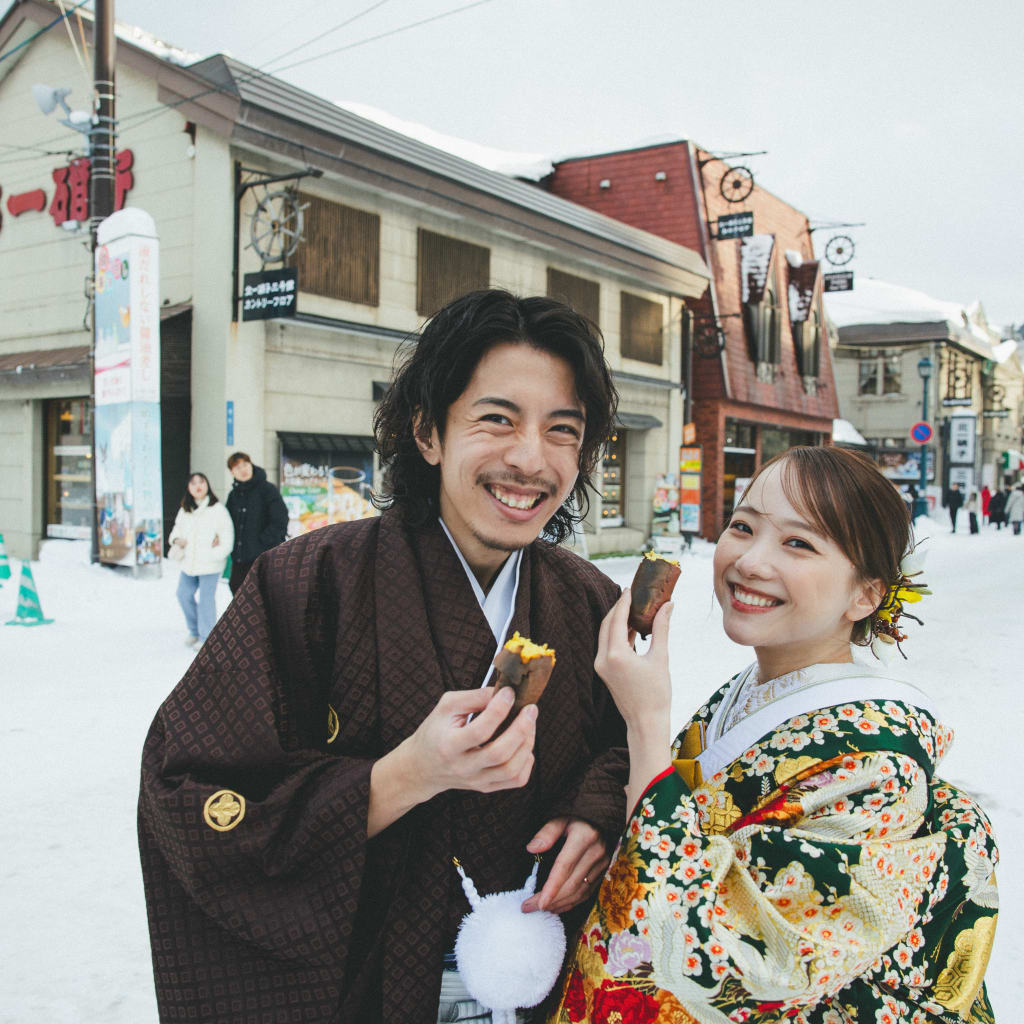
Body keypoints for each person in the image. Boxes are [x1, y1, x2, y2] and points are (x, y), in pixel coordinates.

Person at [138, 290, 630, 1024]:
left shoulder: (591, 601)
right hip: (365, 990)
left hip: (539, 987)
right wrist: (402, 777)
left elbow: (625, 749)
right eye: (497, 419)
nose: (531, 458)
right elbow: (185, 793)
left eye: (563, 430)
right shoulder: (306, 584)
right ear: (427, 432)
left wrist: (598, 813)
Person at [548, 446, 998, 1023]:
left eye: (799, 543)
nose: (750, 561)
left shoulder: (879, 766)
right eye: (743, 526)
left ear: (866, 594)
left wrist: (645, 723)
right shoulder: (752, 691)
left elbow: (728, 967)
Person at [167, 472, 234, 648]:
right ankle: (195, 630)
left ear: (207, 485)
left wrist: (215, 555)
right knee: (183, 594)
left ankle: (207, 637)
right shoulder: (185, 510)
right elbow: (176, 531)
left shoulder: (218, 509)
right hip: (189, 563)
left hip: (210, 564)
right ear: (188, 488)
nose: (198, 486)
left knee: (206, 599)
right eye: (193, 483)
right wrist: (176, 540)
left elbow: (227, 538)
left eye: (201, 482)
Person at [224, 450, 289, 593]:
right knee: (236, 588)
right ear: (232, 472)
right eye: (237, 467)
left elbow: (280, 519)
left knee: (263, 595)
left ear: (251, 465)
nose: (243, 470)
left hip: (264, 555)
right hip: (240, 557)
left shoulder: (267, 489)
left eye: (245, 464)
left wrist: (263, 542)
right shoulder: (233, 496)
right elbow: (226, 524)